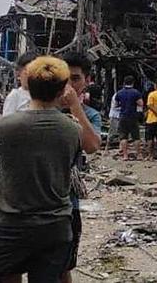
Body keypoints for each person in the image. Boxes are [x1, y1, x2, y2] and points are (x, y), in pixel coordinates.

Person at [0, 56, 81, 281]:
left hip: (13, 223)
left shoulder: (4, 126)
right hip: (57, 225)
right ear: (62, 89)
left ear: (28, 84)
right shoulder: (72, 129)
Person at [61, 52, 102, 283]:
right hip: (30, 203)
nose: (68, 85)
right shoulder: (37, 107)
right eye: (63, 78)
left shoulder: (90, 115)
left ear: (86, 80)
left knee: (62, 267)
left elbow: (92, 146)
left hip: (67, 204)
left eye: (75, 79)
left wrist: (75, 107)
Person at [2, 51, 38, 116]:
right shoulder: (15, 96)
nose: (32, 76)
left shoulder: (43, 96)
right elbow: (6, 123)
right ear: (18, 74)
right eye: (27, 72)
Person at [116, 76, 144, 160]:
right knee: (136, 136)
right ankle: (138, 155)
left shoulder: (119, 93)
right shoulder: (136, 92)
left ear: (124, 83)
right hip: (133, 116)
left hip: (123, 116)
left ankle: (125, 155)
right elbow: (141, 103)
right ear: (133, 83)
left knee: (123, 136)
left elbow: (116, 104)